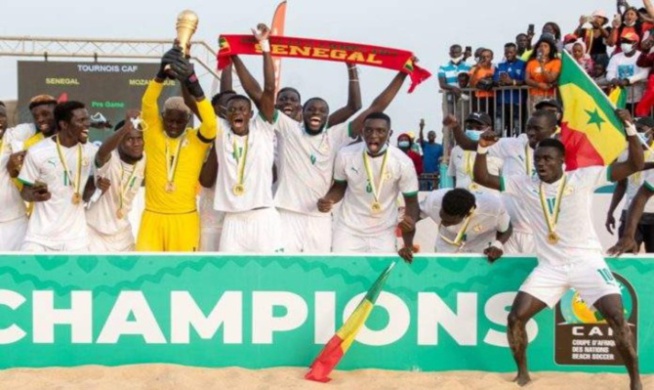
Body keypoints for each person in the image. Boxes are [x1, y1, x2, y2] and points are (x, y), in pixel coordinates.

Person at [474, 112, 643, 389]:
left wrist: (630, 129)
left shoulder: (585, 177)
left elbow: (635, 163)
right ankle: (523, 375)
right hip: (550, 267)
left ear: (562, 162)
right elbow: (482, 176)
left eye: (548, 159)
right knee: (516, 318)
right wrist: (481, 148)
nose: (541, 164)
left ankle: (635, 380)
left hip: (587, 261)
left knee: (616, 316)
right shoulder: (526, 184)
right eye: (538, 159)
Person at [136, 46, 218, 252]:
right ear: (162, 117)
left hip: (185, 218)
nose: (173, 125)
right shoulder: (152, 131)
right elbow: (147, 102)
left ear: (188, 121)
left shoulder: (196, 139)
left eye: (179, 122)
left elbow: (210, 123)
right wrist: (159, 75)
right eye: (169, 120)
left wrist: (194, 84)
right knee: (147, 271)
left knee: (183, 272)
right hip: (152, 217)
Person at [450, 110, 561, 254]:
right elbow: (468, 145)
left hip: (542, 232)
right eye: (528, 128)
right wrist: (457, 128)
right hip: (509, 231)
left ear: (553, 130)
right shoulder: (512, 145)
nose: (531, 133)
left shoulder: (564, 153)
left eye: (537, 129)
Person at [317, 112, 419, 263]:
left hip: (383, 231)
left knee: (378, 277)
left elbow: (411, 202)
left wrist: (408, 243)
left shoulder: (402, 162)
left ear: (389, 133)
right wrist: (328, 199)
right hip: (348, 228)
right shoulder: (346, 155)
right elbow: (339, 187)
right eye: (369, 130)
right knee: (340, 271)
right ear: (362, 131)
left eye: (380, 131)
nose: (374, 135)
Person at [17, 101, 98, 252]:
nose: (87, 124)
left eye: (87, 119)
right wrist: (35, 195)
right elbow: (25, 193)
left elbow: (86, 196)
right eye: (81, 120)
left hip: (76, 240)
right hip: (39, 238)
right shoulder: (37, 151)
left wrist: (93, 186)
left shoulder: (91, 152)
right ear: (64, 124)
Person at [86, 113, 145, 252]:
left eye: (139, 139)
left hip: (123, 234)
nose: (136, 143)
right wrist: (125, 128)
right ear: (119, 141)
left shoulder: (143, 159)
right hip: (94, 233)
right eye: (129, 139)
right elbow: (101, 154)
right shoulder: (110, 158)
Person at [419, 188, 512, 260]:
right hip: (446, 245)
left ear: (466, 214)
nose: (443, 223)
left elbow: (507, 228)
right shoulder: (435, 199)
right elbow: (415, 213)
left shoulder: (492, 208)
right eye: (442, 217)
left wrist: (498, 244)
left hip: (480, 249)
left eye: (449, 222)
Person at [606, 116, 654, 253]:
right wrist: (611, 211)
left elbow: (643, 194)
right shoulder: (625, 153)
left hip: (652, 214)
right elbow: (621, 185)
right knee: (626, 255)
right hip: (629, 214)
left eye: (640, 129)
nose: (636, 133)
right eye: (634, 129)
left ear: (652, 132)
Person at [447, 112, 502, 196]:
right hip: (463, 203)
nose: (474, 130)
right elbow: (453, 178)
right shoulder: (456, 151)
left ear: (489, 129)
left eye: (479, 128)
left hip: (489, 204)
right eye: (470, 127)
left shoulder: (498, 150)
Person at [0, 104, 28, 250]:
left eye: (2, 115)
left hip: (16, 223)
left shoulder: (15, 135)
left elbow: (48, 123)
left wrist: (90, 124)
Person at [606, 32, 649, 113]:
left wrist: (628, 80)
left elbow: (644, 74)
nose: (624, 44)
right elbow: (609, 74)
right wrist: (614, 80)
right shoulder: (616, 57)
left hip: (637, 97)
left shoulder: (641, 56)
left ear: (635, 44)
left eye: (628, 42)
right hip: (620, 97)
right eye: (623, 41)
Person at [494, 43, 526, 135]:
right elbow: (495, 80)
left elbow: (525, 80)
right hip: (502, 101)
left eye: (511, 52)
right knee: (499, 128)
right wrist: (499, 82)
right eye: (506, 52)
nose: (508, 54)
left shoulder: (523, 64)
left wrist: (512, 82)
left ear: (515, 52)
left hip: (517, 101)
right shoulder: (499, 65)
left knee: (517, 128)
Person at [525, 37, 562, 111]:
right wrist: (538, 84)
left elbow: (551, 78)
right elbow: (527, 79)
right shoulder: (531, 62)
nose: (542, 48)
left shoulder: (556, 62)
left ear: (550, 48)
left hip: (549, 96)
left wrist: (542, 65)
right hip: (534, 97)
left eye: (545, 46)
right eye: (540, 46)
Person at [438, 44, 472, 118]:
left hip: (464, 96)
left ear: (461, 53)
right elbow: (442, 84)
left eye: (457, 52)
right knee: (448, 118)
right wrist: (453, 88)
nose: (455, 55)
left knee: (463, 117)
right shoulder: (443, 67)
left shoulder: (468, 66)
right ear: (450, 54)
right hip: (449, 96)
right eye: (453, 53)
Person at [469, 48, 495, 119]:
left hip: (493, 98)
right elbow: (471, 84)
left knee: (491, 119)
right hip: (479, 98)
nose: (485, 59)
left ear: (492, 57)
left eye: (487, 56)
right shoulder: (475, 68)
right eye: (483, 57)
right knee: (480, 119)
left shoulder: (495, 68)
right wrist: (476, 70)